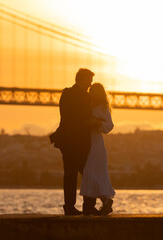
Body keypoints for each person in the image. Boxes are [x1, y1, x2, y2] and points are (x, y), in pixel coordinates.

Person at [49, 68, 101, 215]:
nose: (90, 84)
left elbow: (66, 116)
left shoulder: (66, 93)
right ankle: (88, 206)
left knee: (70, 175)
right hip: (79, 141)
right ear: (82, 80)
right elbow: (83, 118)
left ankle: (69, 207)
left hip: (66, 140)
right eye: (89, 81)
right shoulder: (85, 97)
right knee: (89, 173)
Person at [80, 83, 115, 215]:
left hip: (96, 142)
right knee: (91, 173)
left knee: (93, 172)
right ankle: (104, 202)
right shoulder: (87, 104)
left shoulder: (103, 108)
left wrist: (97, 123)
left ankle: (104, 201)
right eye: (91, 90)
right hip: (87, 141)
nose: (91, 92)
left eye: (94, 91)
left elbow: (109, 126)